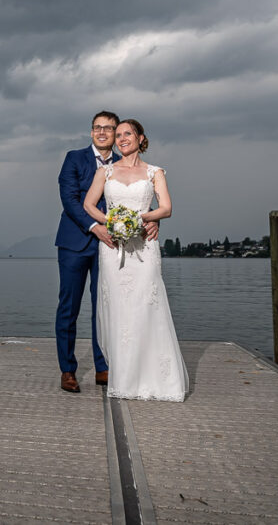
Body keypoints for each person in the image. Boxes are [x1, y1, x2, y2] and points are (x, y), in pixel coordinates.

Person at [83, 119, 188, 401]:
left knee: (146, 305)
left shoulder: (155, 172)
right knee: (119, 308)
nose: (121, 138)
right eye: (118, 135)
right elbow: (88, 205)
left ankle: (158, 379)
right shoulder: (104, 172)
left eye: (127, 134)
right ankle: (125, 379)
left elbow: (165, 208)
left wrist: (140, 219)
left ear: (141, 138)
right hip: (114, 249)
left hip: (144, 248)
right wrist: (112, 222)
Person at [54, 111, 159, 393]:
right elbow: (70, 199)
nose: (103, 132)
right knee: (69, 307)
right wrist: (93, 226)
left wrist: (152, 218)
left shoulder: (123, 163)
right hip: (75, 243)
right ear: (91, 132)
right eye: (97, 128)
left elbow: (141, 198)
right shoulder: (74, 158)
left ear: (116, 134)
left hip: (114, 247)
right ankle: (68, 370)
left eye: (109, 128)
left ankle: (104, 367)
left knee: (107, 307)